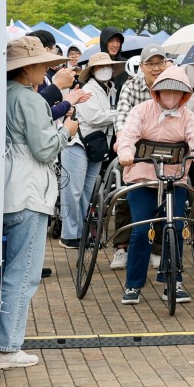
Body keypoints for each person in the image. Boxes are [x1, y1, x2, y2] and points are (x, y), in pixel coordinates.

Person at [0, 37, 79, 369]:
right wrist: (67, 131)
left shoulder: (0, 95)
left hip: (2, 190)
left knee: (5, 270)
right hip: (29, 190)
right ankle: (8, 347)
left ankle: (0, 339)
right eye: (42, 65)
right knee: (24, 271)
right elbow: (45, 149)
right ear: (27, 68)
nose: (47, 70)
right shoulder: (30, 101)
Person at [114, 64, 194, 305]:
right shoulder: (141, 111)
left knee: (177, 226)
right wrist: (126, 152)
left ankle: (173, 281)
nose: (170, 96)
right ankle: (133, 285)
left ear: (184, 95)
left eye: (176, 92)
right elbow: (127, 135)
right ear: (157, 92)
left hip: (174, 180)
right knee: (141, 230)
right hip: (142, 179)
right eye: (166, 91)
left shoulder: (187, 117)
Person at [108, 44, 170, 271]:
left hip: (165, 148)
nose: (156, 68)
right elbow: (122, 117)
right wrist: (124, 144)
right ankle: (122, 246)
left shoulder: (172, 85)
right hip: (136, 146)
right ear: (141, 66)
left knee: (167, 193)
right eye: (151, 64)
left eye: (160, 63)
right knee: (127, 189)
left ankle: (158, 248)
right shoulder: (131, 86)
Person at [58, 51, 123, 248]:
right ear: (93, 70)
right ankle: (68, 234)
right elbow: (94, 117)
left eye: (108, 66)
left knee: (88, 192)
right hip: (77, 143)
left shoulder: (110, 89)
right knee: (73, 191)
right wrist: (120, 113)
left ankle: (83, 233)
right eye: (100, 66)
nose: (105, 70)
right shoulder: (88, 89)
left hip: (96, 145)